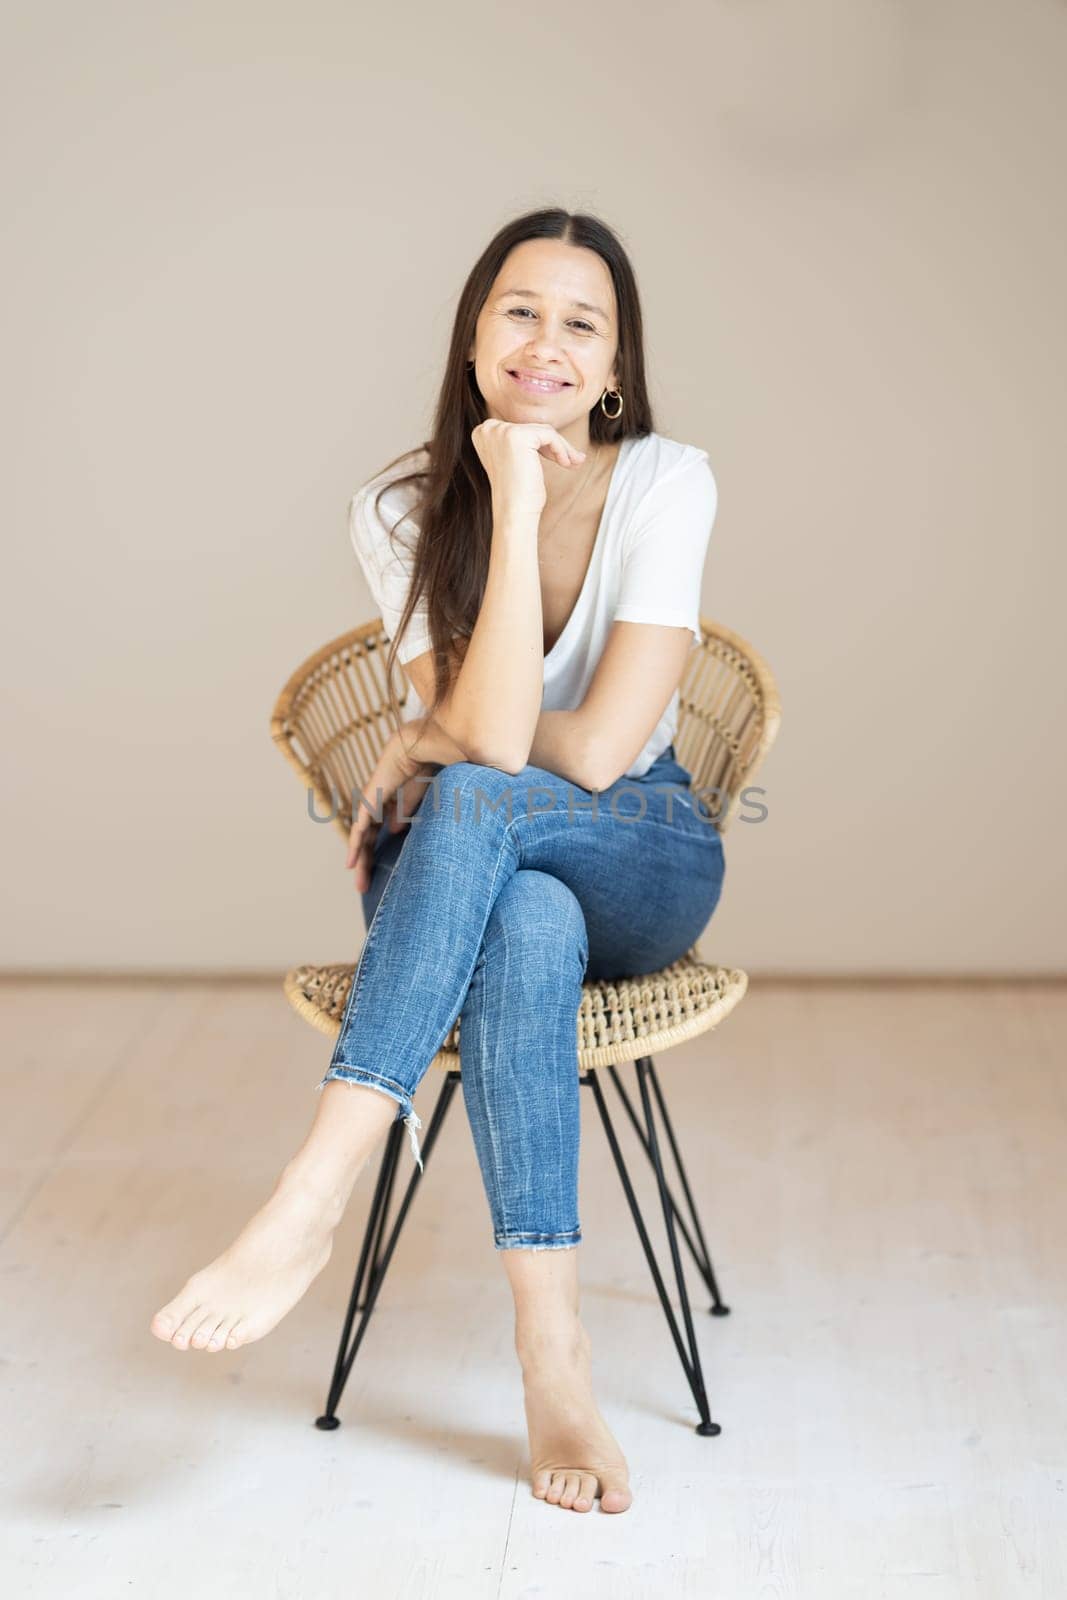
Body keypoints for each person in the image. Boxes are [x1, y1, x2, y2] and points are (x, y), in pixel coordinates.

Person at [149, 206, 727, 1517]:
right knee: (515, 913)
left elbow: (578, 754)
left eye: (584, 322)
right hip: (495, 873)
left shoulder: (667, 480)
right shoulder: (403, 506)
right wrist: (508, 503)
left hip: (642, 848)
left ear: (618, 366)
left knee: (471, 792)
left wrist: (430, 731)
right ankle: (554, 1359)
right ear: (474, 340)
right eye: (520, 310)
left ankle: (312, 1192)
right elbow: (511, 734)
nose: (548, 342)